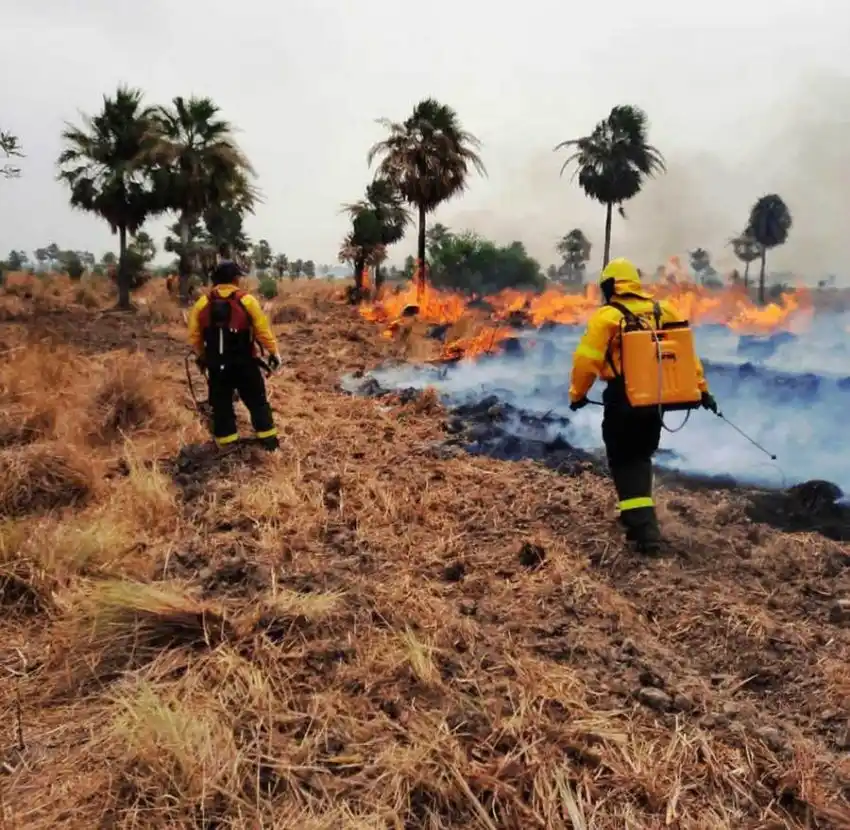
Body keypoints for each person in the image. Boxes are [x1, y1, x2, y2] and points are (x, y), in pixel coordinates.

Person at [568, 257, 718, 554]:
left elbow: (587, 361)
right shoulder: (665, 311)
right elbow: (687, 357)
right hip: (657, 401)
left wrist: (577, 394)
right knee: (640, 456)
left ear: (610, 286)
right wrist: (702, 391)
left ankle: (644, 532)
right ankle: (635, 517)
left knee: (624, 459)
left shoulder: (608, 317)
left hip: (624, 399)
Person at [187, 248, 282, 450]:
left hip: (217, 366)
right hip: (245, 363)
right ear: (235, 279)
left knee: (221, 406)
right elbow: (262, 331)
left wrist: (204, 357)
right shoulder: (247, 300)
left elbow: (194, 337)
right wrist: (274, 352)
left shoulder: (202, 303)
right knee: (257, 403)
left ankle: (227, 448)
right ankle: (269, 444)